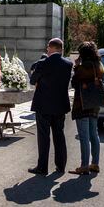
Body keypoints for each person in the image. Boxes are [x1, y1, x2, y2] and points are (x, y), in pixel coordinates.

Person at [28, 38, 73, 176]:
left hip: (43, 105)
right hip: (60, 105)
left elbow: (32, 80)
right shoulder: (68, 64)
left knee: (44, 137)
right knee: (59, 135)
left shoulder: (43, 63)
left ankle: (42, 167)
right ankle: (61, 166)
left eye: (48, 47)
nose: (47, 50)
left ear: (51, 48)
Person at [69, 42, 104, 175]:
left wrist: (76, 66)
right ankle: (95, 163)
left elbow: (74, 83)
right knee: (94, 134)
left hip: (82, 105)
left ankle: (84, 165)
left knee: (84, 136)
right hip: (95, 103)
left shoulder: (83, 67)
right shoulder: (100, 65)